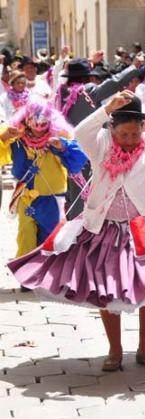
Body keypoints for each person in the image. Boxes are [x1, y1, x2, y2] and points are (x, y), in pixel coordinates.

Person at [7, 74, 145, 371]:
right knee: (106, 287)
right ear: (111, 129)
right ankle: (114, 350)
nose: (128, 140)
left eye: (133, 134)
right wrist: (105, 108)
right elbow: (81, 132)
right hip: (104, 226)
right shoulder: (100, 143)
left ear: (143, 128)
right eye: (122, 134)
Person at [0, 98, 87, 291]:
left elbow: (78, 159)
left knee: (50, 235)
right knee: (25, 234)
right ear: (25, 120)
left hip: (52, 197)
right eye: (34, 120)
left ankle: (47, 273)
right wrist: (5, 137)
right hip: (26, 195)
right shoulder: (17, 138)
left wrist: (62, 146)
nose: (39, 125)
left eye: (43, 120)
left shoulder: (59, 137)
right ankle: (26, 275)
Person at [56, 58, 140, 220]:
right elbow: (114, 83)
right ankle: (83, 229)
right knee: (88, 190)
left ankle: (72, 227)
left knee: (73, 190)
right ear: (87, 76)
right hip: (89, 148)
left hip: (67, 148)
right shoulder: (87, 92)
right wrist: (133, 67)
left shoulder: (61, 92)